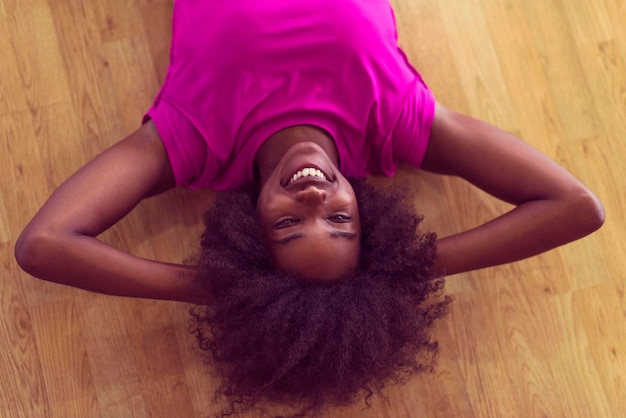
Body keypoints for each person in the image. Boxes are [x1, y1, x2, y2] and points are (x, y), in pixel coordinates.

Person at [14, 0, 604, 416]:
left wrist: (215, 287)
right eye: (340, 221)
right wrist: (405, 270)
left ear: (250, 228)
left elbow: (44, 245)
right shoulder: (397, 125)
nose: (315, 198)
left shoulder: (193, 141)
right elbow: (577, 207)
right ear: (366, 217)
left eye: (289, 224)